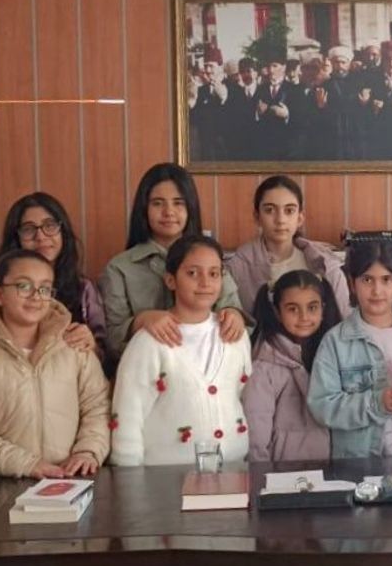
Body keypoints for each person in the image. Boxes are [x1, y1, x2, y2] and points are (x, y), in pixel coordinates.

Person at [0, 250, 111, 479]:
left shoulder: (74, 347)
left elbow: (98, 407)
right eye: (24, 286)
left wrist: (88, 451)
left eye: (45, 288)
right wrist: (28, 464)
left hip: (74, 478)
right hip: (5, 483)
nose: (36, 296)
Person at [111, 235, 253, 466]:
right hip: (166, 474)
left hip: (233, 466)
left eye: (214, 273)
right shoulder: (149, 341)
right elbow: (128, 414)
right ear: (170, 280)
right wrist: (129, 476)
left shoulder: (235, 334)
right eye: (193, 273)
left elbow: (240, 393)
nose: (205, 282)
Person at [308, 241, 392, 459]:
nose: (377, 290)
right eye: (367, 280)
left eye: (386, 280)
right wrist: (376, 403)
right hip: (358, 465)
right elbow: (321, 406)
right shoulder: (335, 342)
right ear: (352, 284)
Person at [100, 163, 247, 364]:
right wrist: (141, 321)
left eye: (178, 203)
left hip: (207, 367)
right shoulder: (119, 268)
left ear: (191, 208)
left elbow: (235, 313)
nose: (168, 212)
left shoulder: (210, 257)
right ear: (144, 209)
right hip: (147, 368)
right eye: (157, 203)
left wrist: (235, 316)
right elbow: (113, 342)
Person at [0, 192, 103, 357]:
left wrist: (92, 344)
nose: (40, 236)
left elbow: (105, 355)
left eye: (50, 225)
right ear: (16, 238)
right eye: (28, 229)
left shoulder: (83, 289)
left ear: (63, 232)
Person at [242, 270, 342, 462]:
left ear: (323, 309)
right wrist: (261, 475)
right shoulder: (264, 368)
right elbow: (256, 436)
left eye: (312, 308)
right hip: (283, 473)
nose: (304, 317)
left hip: (332, 471)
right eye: (293, 309)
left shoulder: (335, 356)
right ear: (277, 312)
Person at [226, 175, 350, 319]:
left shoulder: (326, 265)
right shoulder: (237, 268)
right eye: (270, 210)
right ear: (257, 217)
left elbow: (343, 321)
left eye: (289, 210)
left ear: (300, 218)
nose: (280, 220)